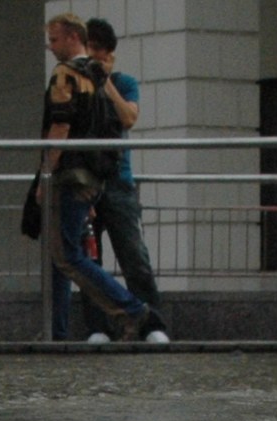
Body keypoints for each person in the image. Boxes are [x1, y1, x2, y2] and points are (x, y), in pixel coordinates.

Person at [35, 13, 166, 344]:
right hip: (92, 178)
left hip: (91, 179)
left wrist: (46, 173)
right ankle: (95, 327)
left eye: (54, 40)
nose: (50, 47)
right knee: (75, 255)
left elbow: (70, 124)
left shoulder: (81, 77)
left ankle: (142, 316)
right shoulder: (84, 77)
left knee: (86, 255)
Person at [78, 20, 160, 328]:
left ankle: (153, 324)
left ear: (109, 54)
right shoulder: (76, 84)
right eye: (90, 50)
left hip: (118, 181)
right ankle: (97, 327)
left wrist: (105, 82)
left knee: (134, 259)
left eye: (99, 51)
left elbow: (128, 117)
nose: (93, 56)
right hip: (85, 181)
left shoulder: (124, 83)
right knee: (89, 260)